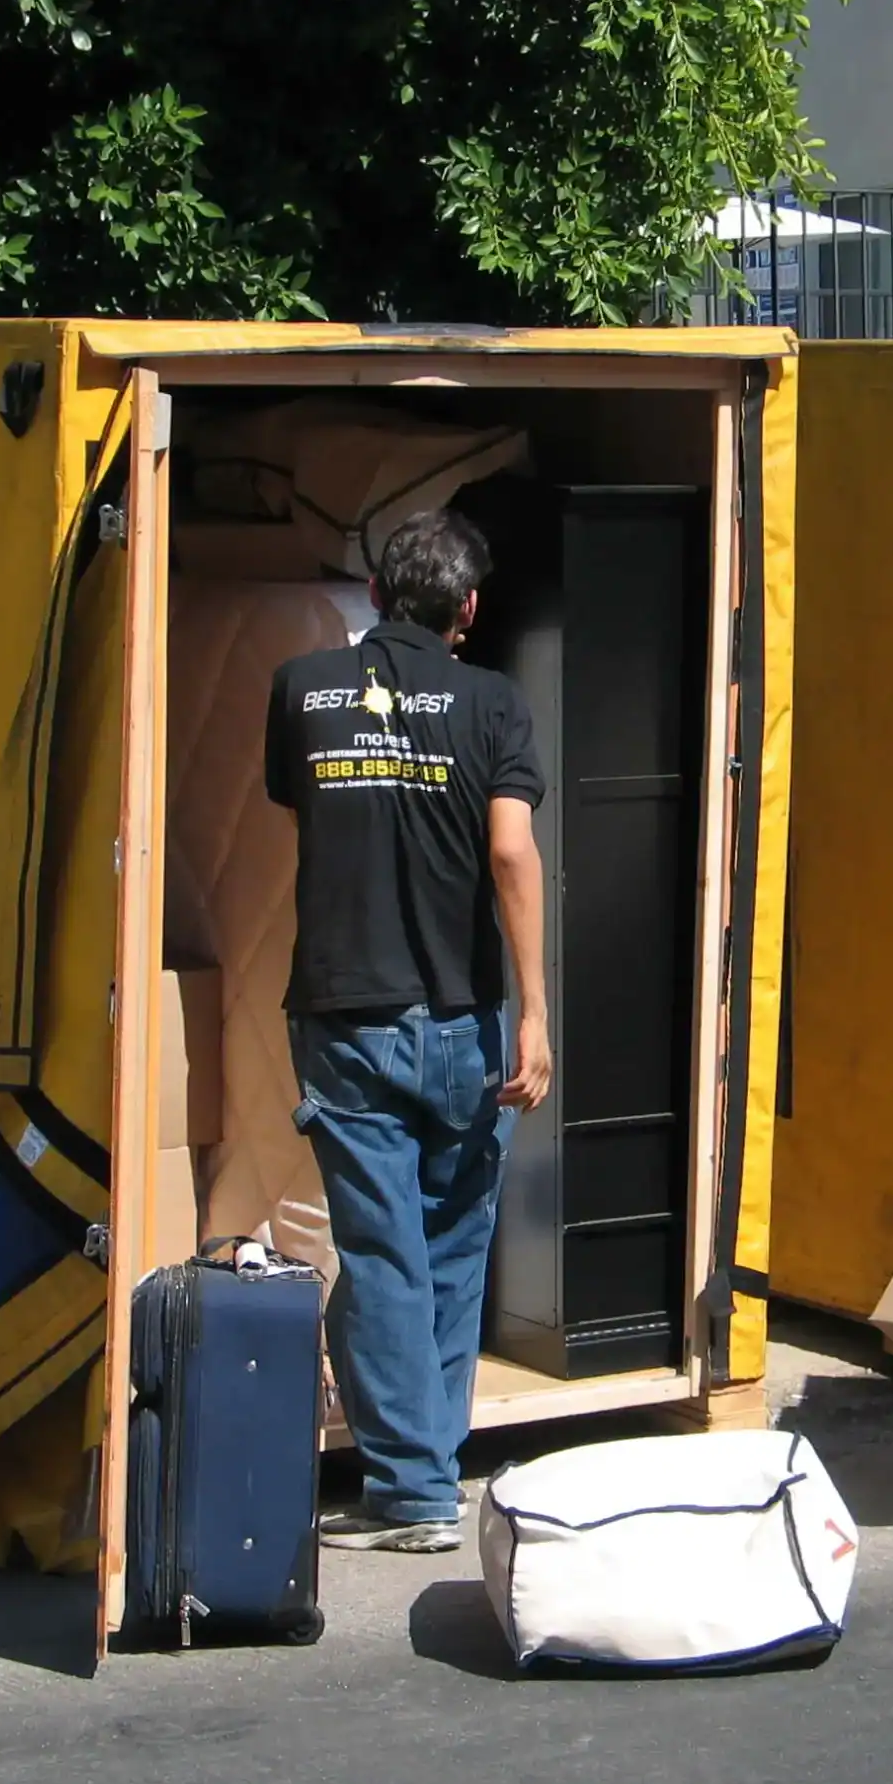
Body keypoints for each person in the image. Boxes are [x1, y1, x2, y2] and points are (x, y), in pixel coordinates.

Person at [265, 508, 553, 1550]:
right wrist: (535, 1015)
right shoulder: (492, 705)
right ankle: (426, 1471)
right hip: (464, 1021)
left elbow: (308, 821)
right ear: (468, 609)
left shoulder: (302, 690)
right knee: (450, 1246)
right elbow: (512, 855)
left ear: (380, 595)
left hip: (346, 1013)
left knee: (384, 1250)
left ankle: (415, 1487)